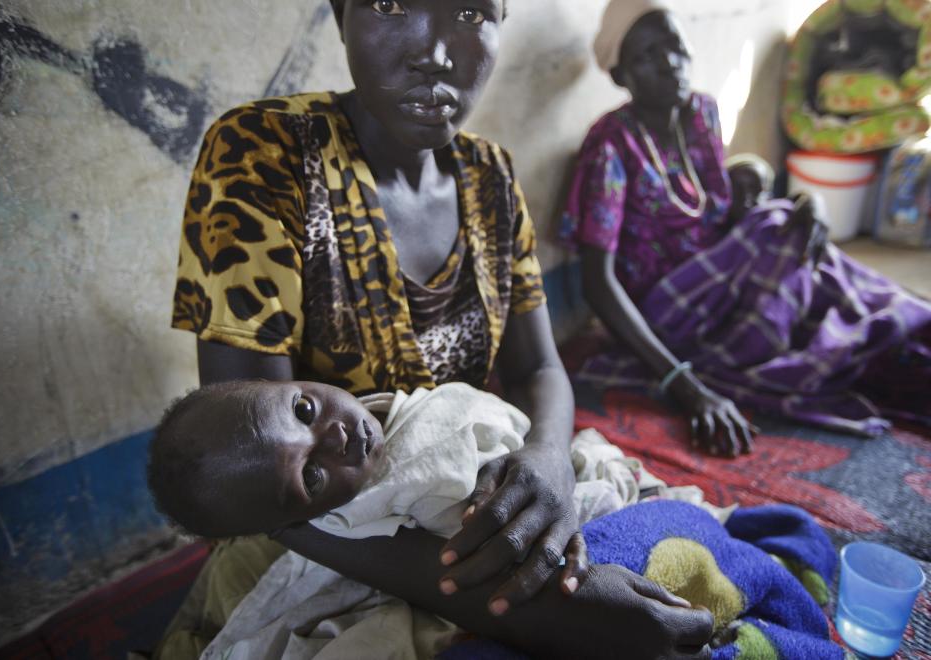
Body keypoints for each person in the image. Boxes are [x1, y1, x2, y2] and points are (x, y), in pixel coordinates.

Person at [161, 1, 715, 658]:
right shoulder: (265, 155)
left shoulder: (492, 179)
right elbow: (269, 498)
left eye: (472, 11)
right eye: (393, 4)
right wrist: (538, 608)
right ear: (340, 14)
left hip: (465, 497)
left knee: (684, 546)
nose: (437, 53)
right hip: (337, 543)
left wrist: (546, 463)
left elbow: (539, 370)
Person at [560, 0, 931, 457]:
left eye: (675, 47)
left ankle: (898, 332)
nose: (669, 64)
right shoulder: (612, 146)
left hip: (722, 274)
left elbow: (718, 210)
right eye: (646, 56)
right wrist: (683, 382)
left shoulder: (703, 113)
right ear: (621, 76)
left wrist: (807, 200)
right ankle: (880, 345)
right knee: (783, 239)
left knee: (807, 250)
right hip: (670, 307)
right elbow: (598, 284)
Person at [148, 379, 705, 542]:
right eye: (311, 474)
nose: (337, 437)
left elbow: (538, 364)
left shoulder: (375, 410)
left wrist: (551, 450)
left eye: (303, 407)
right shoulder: (421, 486)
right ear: (295, 523)